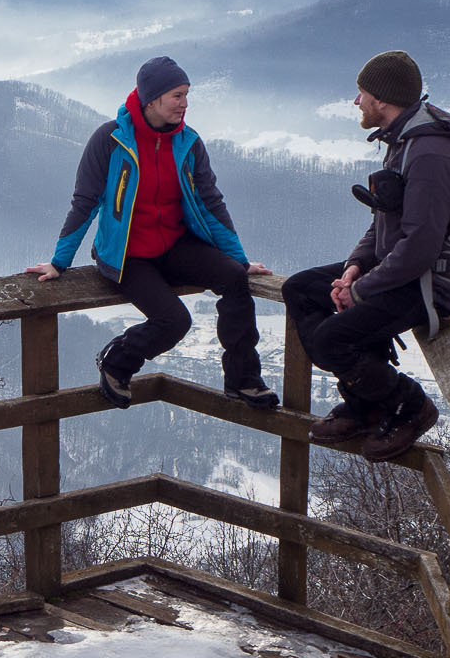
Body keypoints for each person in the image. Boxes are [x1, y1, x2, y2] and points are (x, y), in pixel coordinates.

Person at [28, 56, 278, 410]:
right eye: (177, 95)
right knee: (174, 320)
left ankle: (244, 381)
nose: (185, 103)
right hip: (127, 253)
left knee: (235, 279)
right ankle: (117, 360)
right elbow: (86, 202)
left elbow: (211, 203)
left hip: (174, 245)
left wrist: (237, 260)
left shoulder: (188, 143)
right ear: (152, 99)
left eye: (187, 94)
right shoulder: (110, 140)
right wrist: (59, 262)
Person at [282, 50, 450, 461]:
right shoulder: (403, 141)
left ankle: (409, 406)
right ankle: (367, 404)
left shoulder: (429, 154)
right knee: (301, 288)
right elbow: (383, 224)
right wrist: (354, 268)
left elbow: (421, 246)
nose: (357, 102)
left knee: (332, 339)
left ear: (382, 100)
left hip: (432, 282)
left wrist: (363, 289)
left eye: (362, 93)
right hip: (401, 269)